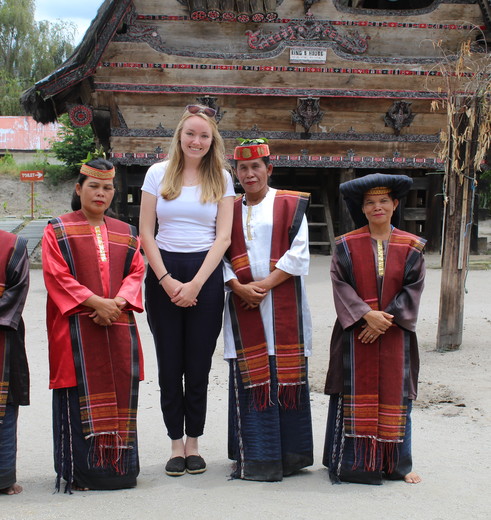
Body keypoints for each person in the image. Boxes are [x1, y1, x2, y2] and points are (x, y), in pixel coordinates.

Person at [139, 104, 234, 476]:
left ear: (213, 142)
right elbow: (146, 231)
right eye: (191, 133)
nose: (196, 141)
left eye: (204, 136)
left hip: (204, 275)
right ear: (180, 135)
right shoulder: (157, 174)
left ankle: (194, 441)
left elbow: (223, 236)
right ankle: (174, 444)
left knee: (197, 365)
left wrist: (196, 282)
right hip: (164, 270)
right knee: (169, 365)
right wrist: (165, 279)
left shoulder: (222, 178)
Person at [42, 158, 145, 492]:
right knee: (76, 397)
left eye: (107, 187)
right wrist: (96, 302)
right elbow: (55, 275)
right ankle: (80, 474)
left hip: (118, 326)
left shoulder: (127, 232)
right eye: (94, 186)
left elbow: (136, 272)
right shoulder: (56, 228)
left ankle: (120, 472)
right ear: (78, 189)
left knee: (120, 397)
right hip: (75, 329)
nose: (101, 193)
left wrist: (116, 303)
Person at [323, 172, 426, 485]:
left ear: (394, 204)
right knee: (352, 390)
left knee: (397, 394)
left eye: (383, 200)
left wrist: (384, 321)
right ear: (363, 208)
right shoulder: (345, 245)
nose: (377, 207)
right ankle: (350, 463)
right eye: (370, 202)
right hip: (355, 333)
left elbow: (413, 288)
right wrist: (366, 315)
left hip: (396, 335)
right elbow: (340, 284)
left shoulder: (412, 246)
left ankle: (397, 466)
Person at [223, 139, 314, 481]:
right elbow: (219, 255)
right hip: (242, 301)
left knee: (284, 376)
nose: (249, 174)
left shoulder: (290, 203)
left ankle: (290, 456)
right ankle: (254, 456)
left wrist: (264, 286)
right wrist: (238, 287)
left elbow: (299, 253)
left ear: (269, 169)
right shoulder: (227, 209)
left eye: (256, 167)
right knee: (250, 377)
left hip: (282, 302)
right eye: (243, 168)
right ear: (236, 172)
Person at [0, 231, 29, 495]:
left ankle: (3, 476)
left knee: (5, 404)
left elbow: (17, 290)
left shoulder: (12, 244)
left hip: (4, 338)